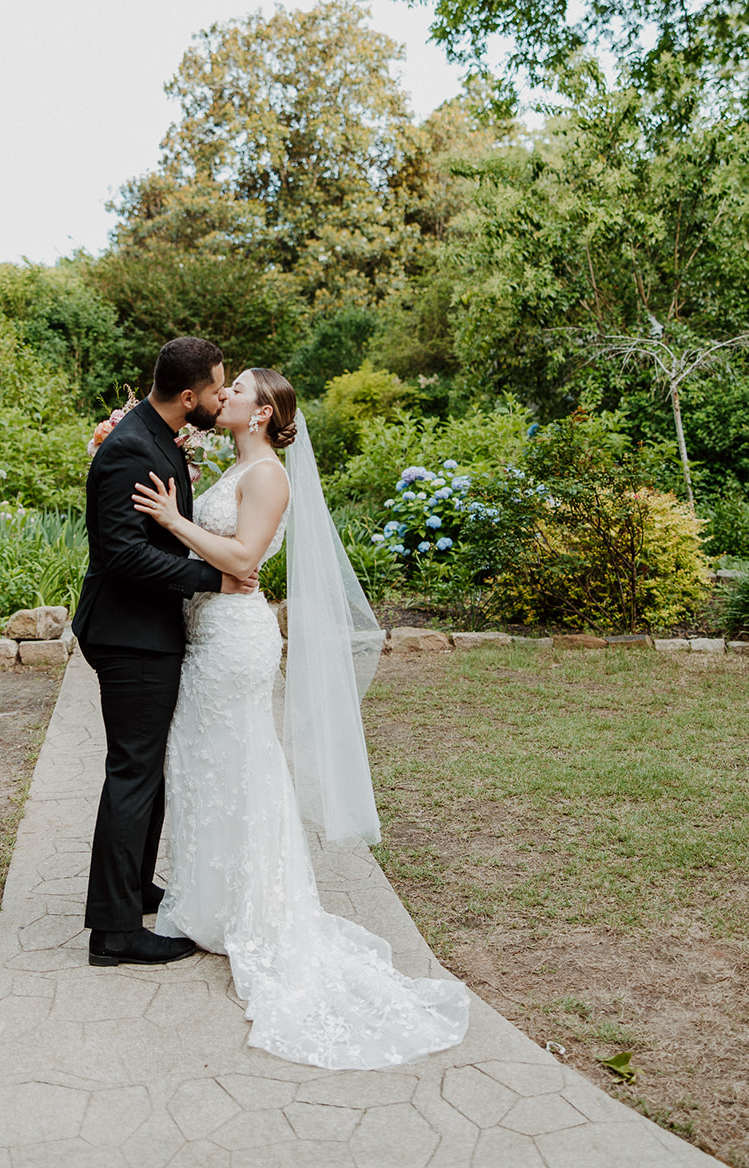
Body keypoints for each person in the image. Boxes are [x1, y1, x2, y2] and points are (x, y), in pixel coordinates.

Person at [132, 367, 470, 1069]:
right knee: (203, 767)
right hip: (205, 637)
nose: (222, 397)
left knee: (241, 768)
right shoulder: (237, 467)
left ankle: (256, 913)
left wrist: (171, 520)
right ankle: (208, 904)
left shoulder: (268, 478)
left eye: (237, 391)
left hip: (233, 641)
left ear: (260, 414)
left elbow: (244, 562)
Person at [73, 336, 258, 969]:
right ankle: (115, 932)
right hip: (129, 635)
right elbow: (122, 555)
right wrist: (217, 579)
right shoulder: (130, 449)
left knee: (145, 769)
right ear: (189, 397)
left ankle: (133, 890)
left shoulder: (158, 439)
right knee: (133, 771)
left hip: (148, 630)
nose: (220, 397)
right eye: (215, 388)